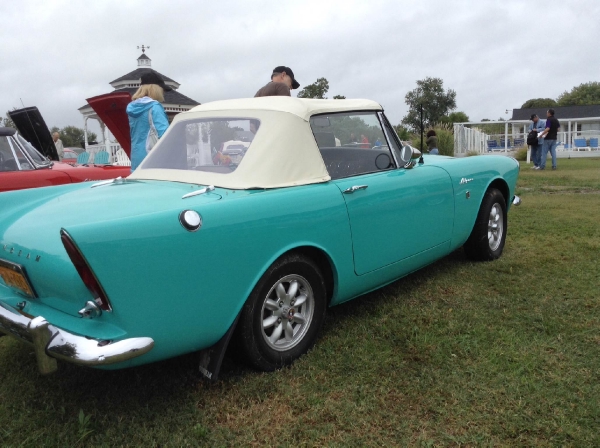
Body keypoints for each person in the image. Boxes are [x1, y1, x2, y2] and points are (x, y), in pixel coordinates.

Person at [126, 72, 171, 171]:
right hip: (153, 161)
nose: (163, 93)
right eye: (162, 89)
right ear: (155, 89)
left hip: (136, 160)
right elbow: (166, 136)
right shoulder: (155, 107)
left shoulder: (132, 108)